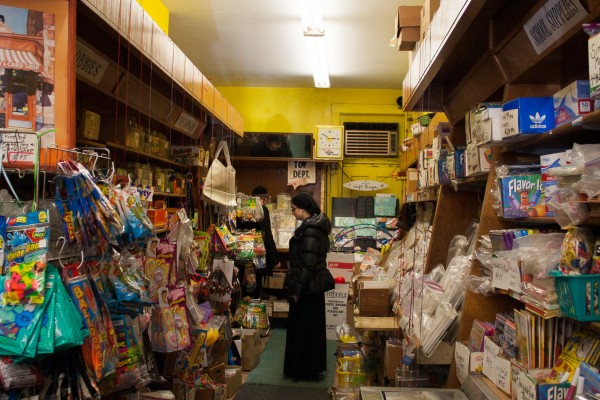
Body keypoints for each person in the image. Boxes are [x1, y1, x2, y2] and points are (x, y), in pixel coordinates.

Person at [284, 191, 331, 380]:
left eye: (294, 209)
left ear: (303, 209)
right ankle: (308, 367)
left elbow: (308, 264)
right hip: (312, 288)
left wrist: (298, 289)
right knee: (310, 328)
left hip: (307, 288)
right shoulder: (314, 227)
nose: (293, 212)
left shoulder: (310, 231)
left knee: (303, 328)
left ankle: (303, 369)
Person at [237, 186, 280, 298]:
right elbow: (267, 236)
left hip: (241, 255)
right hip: (258, 256)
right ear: (264, 199)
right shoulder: (262, 209)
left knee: (243, 290)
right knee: (255, 291)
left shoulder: (240, 207)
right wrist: (275, 260)